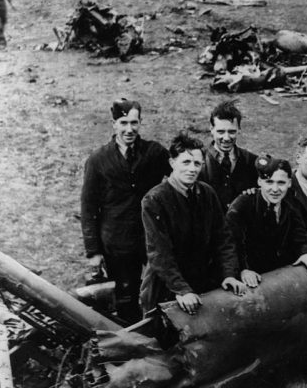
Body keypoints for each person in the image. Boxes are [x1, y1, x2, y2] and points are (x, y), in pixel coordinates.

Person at [80, 99, 170, 322]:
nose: (129, 129)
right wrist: (94, 251)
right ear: (113, 124)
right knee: (125, 295)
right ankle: (131, 340)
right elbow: (89, 206)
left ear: (140, 123)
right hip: (117, 241)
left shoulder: (155, 153)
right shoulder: (98, 160)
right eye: (123, 123)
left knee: (159, 289)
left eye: (134, 122)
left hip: (152, 236)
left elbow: (178, 174)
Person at [141, 132, 246, 315]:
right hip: (166, 288)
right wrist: (181, 290)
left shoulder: (206, 193)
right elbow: (159, 252)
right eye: (186, 162)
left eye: (197, 164)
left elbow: (223, 238)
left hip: (201, 285)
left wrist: (229, 274)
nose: (192, 169)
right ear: (172, 163)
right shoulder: (154, 200)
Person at [226, 155, 307, 289]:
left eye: (281, 183)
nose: (275, 189)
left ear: (289, 182)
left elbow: (300, 236)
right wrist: (243, 269)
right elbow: (233, 243)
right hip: (251, 279)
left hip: (278, 277)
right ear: (259, 182)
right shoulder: (244, 204)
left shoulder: (290, 206)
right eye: (269, 182)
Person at [199, 101, 258, 212]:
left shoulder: (251, 161)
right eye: (221, 131)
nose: (226, 138)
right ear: (211, 129)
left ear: (239, 130)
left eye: (231, 132)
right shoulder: (198, 162)